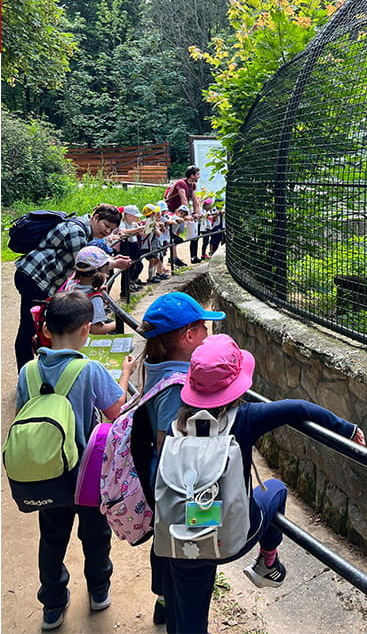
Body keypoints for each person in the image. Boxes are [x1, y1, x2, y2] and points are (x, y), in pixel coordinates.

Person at [158, 333, 366, 634]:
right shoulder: (246, 418)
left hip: (182, 532)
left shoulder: (176, 426)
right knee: (276, 491)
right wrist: (346, 429)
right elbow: (299, 408)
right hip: (229, 537)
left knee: (189, 615)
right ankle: (267, 563)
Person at [14, 289, 136, 631]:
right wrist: (125, 374)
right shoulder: (90, 369)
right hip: (87, 475)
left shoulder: (28, 371)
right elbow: (116, 411)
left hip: (47, 475)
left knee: (52, 538)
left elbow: (25, 413)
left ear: (46, 329)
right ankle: (99, 590)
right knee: (95, 535)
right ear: (86, 329)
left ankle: (52, 605)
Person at [137, 292, 226, 626]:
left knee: (163, 541)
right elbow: (168, 446)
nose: (207, 333)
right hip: (177, 489)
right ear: (189, 336)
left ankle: (163, 599)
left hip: (160, 484)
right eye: (203, 327)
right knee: (184, 551)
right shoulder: (177, 387)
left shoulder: (154, 365)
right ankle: (177, 610)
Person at [14, 204, 131, 369]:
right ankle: (26, 374)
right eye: (106, 225)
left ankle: (40, 367)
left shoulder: (82, 229)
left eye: (111, 229)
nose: (107, 231)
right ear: (95, 217)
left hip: (41, 279)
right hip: (34, 277)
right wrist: (113, 263)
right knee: (30, 327)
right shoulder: (76, 231)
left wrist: (109, 262)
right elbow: (86, 263)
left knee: (40, 325)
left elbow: (90, 261)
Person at [60, 246, 116, 334]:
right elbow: (96, 330)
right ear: (100, 271)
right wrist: (117, 324)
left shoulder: (71, 282)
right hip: (83, 338)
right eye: (107, 265)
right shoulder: (94, 298)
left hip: (69, 333)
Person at [164, 166, 201, 265]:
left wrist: (197, 213)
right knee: (173, 235)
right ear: (192, 175)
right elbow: (183, 199)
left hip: (180, 212)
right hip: (172, 211)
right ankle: (173, 258)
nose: (199, 176)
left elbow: (195, 200)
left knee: (177, 234)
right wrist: (187, 215)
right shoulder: (181, 183)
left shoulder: (192, 185)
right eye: (197, 174)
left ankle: (173, 257)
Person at [117, 205, 144, 294]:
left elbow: (143, 234)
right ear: (128, 215)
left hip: (134, 246)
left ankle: (131, 282)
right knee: (127, 269)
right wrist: (137, 229)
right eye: (135, 216)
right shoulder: (123, 223)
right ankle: (125, 290)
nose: (137, 218)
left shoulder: (135, 224)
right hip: (127, 246)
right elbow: (123, 231)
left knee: (138, 265)